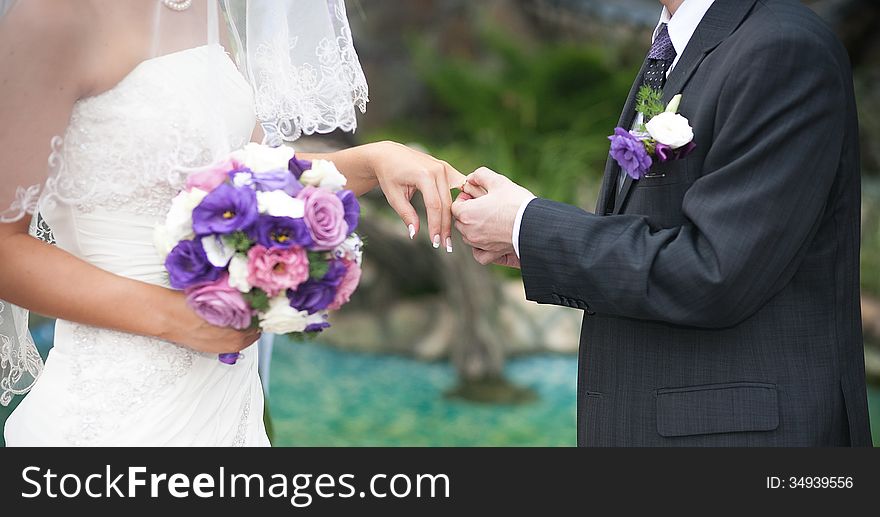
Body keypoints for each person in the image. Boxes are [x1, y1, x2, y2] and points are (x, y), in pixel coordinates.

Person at [0, 0, 464, 446]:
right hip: (115, 410)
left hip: (226, 399)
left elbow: (245, 175)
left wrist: (371, 162)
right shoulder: (51, 17)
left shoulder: (200, 7)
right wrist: (175, 317)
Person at [453, 0, 872, 446]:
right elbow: (659, 226)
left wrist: (529, 226)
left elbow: (716, 271)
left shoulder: (784, 47)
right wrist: (528, 244)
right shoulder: (674, 46)